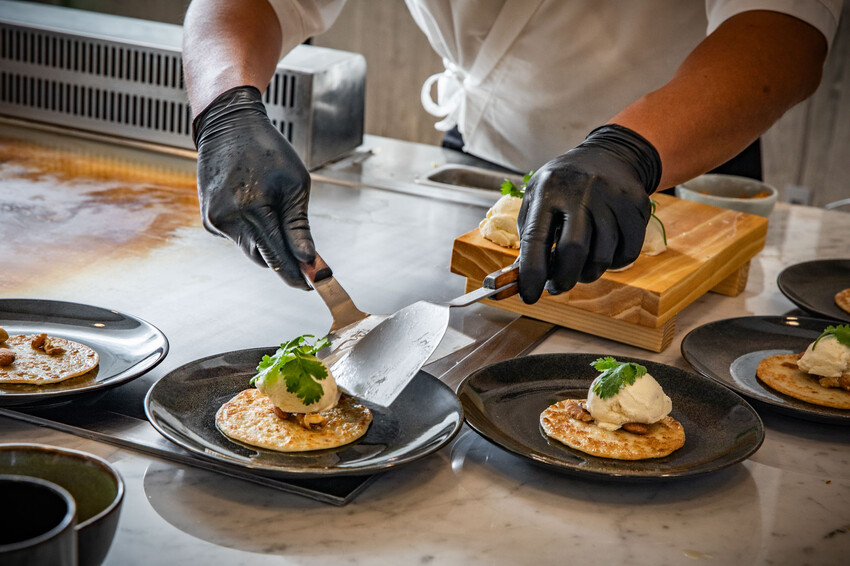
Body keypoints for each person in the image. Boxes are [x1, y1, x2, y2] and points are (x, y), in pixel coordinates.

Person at [183, 0, 841, 304]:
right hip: (488, 159)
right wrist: (226, 112)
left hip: (675, 155)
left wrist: (629, 149)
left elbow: (784, 28)